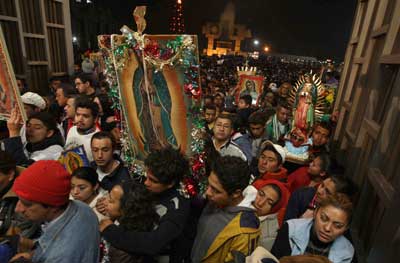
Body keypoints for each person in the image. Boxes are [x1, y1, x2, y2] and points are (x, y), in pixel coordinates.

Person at [99, 146, 191, 262]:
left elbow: (153, 244)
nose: (146, 183)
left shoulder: (177, 209)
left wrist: (111, 231)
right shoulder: (151, 185)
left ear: (170, 184)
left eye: (153, 181)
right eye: (147, 176)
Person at [11, 160, 99, 262]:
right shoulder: (83, 207)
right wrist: (32, 255)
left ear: (53, 207)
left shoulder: (59, 256)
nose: (18, 209)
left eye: (27, 204)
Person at [191, 156, 260, 262]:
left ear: (236, 193)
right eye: (209, 185)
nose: (207, 193)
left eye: (216, 190)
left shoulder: (245, 231)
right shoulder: (216, 200)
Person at [271, 194, 354, 263]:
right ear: (315, 212)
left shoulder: (347, 252)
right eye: (324, 218)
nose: (327, 228)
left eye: (338, 226)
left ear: (346, 228)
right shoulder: (291, 229)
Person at [102, 182, 159, 263]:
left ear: (125, 209)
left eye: (110, 201)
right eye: (108, 196)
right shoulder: (116, 221)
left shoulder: (124, 251)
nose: (104, 202)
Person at [284, 174, 355, 221]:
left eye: (327, 192)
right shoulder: (301, 194)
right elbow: (286, 227)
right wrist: (302, 220)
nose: (319, 191)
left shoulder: (339, 215)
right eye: (322, 185)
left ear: (338, 199)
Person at [251, 179, 290, 250]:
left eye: (269, 202)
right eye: (261, 194)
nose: (260, 203)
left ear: (274, 208)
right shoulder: (243, 202)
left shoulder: (268, 236)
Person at [65, 97, 101, 162]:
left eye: (85, 116)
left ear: (95, 119)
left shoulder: (98, 138)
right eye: (78, 115)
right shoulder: (72, 129)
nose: (80, 119)